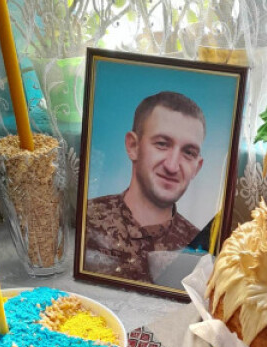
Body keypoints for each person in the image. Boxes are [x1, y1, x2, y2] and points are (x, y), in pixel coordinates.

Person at [83, 91, 205, 283]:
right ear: (133, 146)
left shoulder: (199, 251)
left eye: (188, 153)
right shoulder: (87, 219)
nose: (172, 166)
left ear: (196, 168)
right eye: (162, 144)